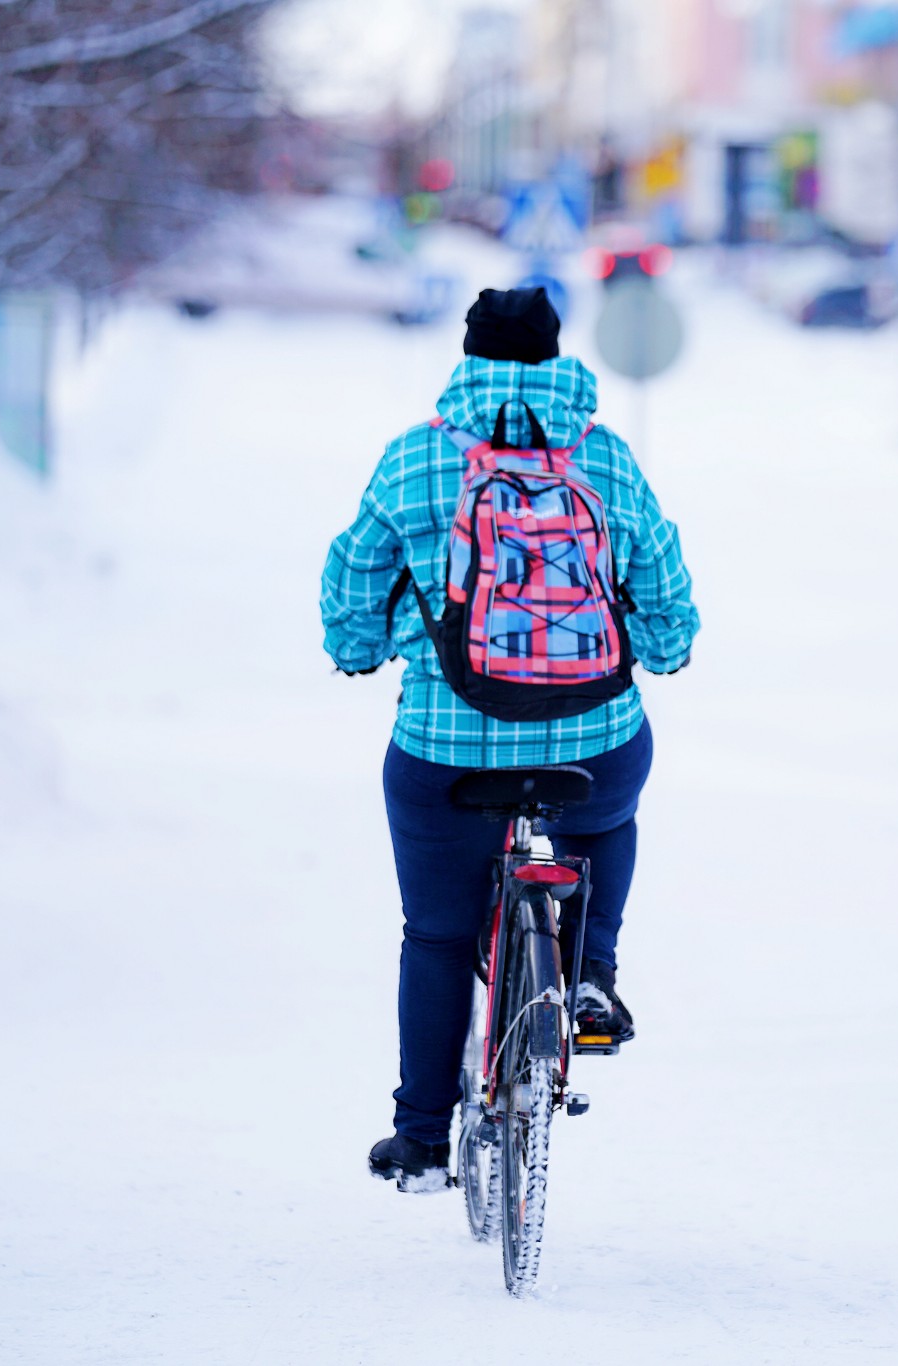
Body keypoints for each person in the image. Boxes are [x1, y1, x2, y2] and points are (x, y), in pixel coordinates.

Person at [320, 286, 700, 1194]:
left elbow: (352, 579)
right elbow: (664, 586)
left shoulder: (413, 459)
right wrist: (663, 649)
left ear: (466, 355)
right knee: (606, 816)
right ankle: (591, 972)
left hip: (445, 754)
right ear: (560, 357)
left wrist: (358, 649)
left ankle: (418, 1138)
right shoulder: (604, 458)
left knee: (441, 936)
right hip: (590, 740)